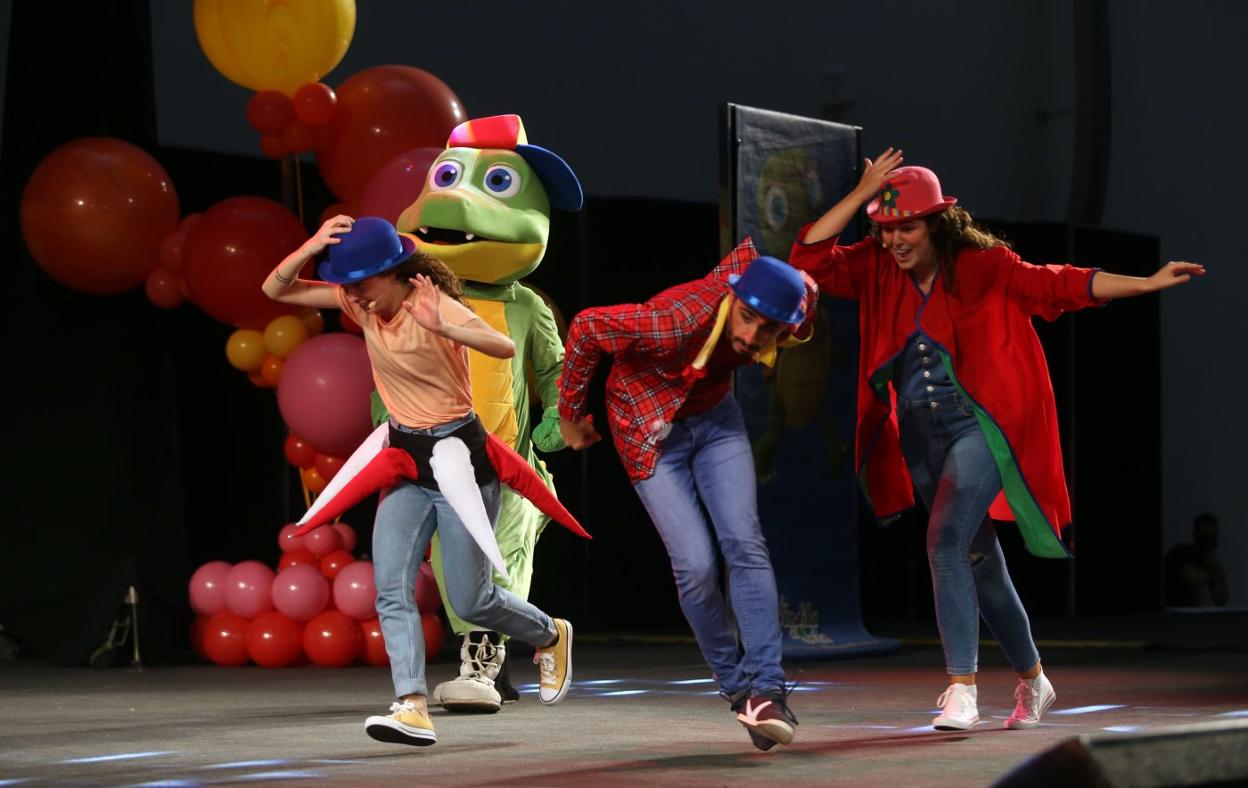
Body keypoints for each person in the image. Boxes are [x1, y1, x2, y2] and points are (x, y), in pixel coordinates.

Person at [788, 149, 1205, 731]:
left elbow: (1060, 283)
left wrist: (1146, 282)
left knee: (944, 540)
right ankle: (1035, 681)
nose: (895, 240)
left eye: (906, 226)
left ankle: (961, 687)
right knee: (979, 561)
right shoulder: (875, 267)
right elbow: (807, 251)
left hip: (979, 426)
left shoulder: (985, 265)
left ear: (936, 222)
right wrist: (862, 196)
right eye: (885, 229)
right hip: (918, 430)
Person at [262, 215, 573, 747]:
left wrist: (447, 326)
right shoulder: (358, 303)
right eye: (348, 283)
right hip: (408, 460)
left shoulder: (430, 305)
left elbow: (500, 347)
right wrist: (312, 246)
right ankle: (411, 705)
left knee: (474, 600)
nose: (353, 293)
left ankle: (550, 633)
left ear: (394, 273)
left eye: (361, 282)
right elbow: (277, 289)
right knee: (390, 589)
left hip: (461, 462)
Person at [558, 244, 817, 750]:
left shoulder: (790, 314)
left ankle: (767, 689)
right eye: (746, 319)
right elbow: (587, 326)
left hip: (715, 418)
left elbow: (809, 259)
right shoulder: (673, 321)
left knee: (745, 543)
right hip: (648, 427)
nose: (750, 337)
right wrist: (570, 412)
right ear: (733, 301)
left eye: (768, 330)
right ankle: (739, 690)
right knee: (696, 565)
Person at [1164, 512, 1229, 607]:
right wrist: (1214, 573)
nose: (1209, 542)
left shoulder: (1212, 562)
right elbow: (1193, 578)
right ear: (1195, 534)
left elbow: (1222, 600)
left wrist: (1216, 569)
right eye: (1205, 536)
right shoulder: (1180, 552)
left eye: (1213, 537)